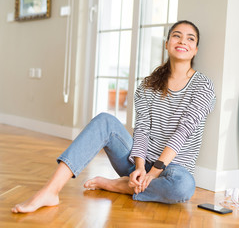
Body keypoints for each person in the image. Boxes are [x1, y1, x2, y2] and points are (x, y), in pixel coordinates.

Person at [11, 20, 216, 213]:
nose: (182, 41)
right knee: (104, 120)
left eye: (190, 38)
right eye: (176, 36)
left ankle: (118, 186)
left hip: (172, 171)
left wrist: (153, 172)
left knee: (184, 188)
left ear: (195, 49)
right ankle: (50, 191)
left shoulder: (203, 87)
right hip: (136, 165)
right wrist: (138, 167)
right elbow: (142, 130)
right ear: (167, 44)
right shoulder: (148, 85)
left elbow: (184, 131)